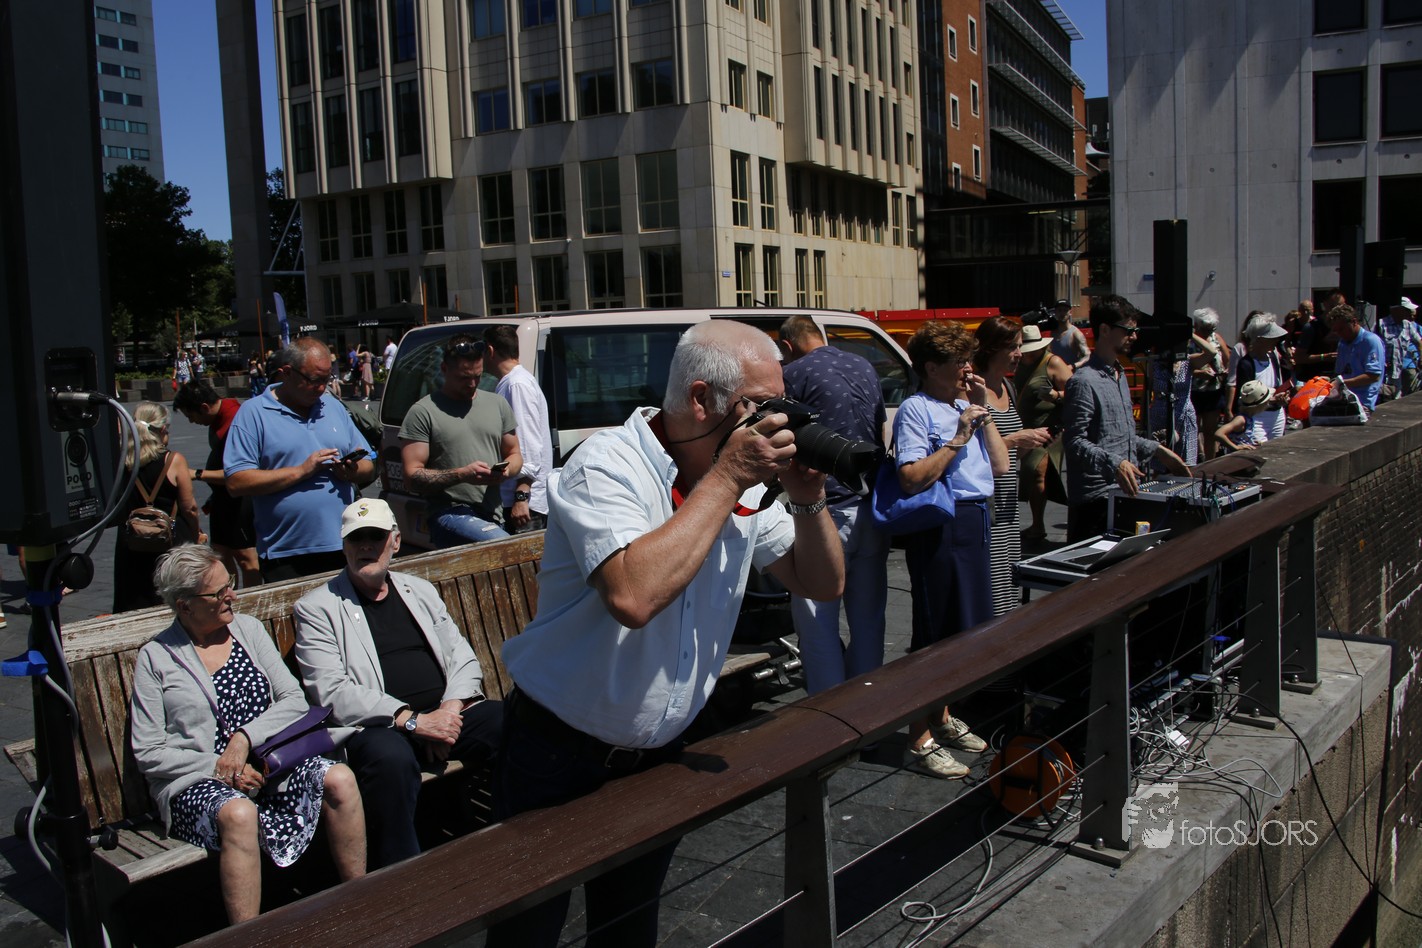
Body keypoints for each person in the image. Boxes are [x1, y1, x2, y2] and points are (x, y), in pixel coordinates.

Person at [488, 320, 842, 947]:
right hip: (556, 751)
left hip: (658, 753)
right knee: (527, 935)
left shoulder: (739, 482)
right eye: (762, 405)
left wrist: (809, 497)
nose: (777, 422)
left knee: (628, 931)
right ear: (702, 399)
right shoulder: (607, 464)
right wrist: (727, 478)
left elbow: (821, 582)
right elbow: (634, 595)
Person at [129, 544, 366, 925]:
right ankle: (246, 935)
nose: (232, 596)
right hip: (197, 781)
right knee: (239, 813)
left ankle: (359, 903)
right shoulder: (156, 658)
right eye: (219, 592)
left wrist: (243, 740)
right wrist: (222, 767)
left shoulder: (248, 630)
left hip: (269, 764)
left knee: (339, 777)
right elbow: (149, 751)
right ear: (185, 605)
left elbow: (293, 699)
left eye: (230, 584)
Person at [293, 499, 504, 869]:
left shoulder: (418, 590)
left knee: (512, 721)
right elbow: (330, 691)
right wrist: (414, 722)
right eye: (355, 538)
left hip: (443, 714)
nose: (365, 546)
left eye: (375, 537)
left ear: (395, 541)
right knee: (390, 759)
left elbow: (462, 656)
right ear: (344, 545)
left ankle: (513, 841)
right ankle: (401, 874)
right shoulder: (317, 608)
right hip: (378, 726)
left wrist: (448, 713)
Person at [891, 321, 1002, 779]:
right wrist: (958, 437)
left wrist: (983, 414)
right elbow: (910, 477)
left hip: (974, 521)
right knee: (933, 633)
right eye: (958, 362)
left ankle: (940, 715)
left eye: (968, 360)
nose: (967, 369)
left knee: (962, 628)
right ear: (931, 367)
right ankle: (918, 737)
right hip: (941, 524)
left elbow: (1000, 465)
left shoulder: (964, 405)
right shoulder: (915, 409)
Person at [777, 314, 890, 694]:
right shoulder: (863, 365)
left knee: (816, 621)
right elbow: (879, 428)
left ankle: (828, 713)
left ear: (788, 346)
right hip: (869, 505)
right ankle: (867, 705)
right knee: (869, 618)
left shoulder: (795, 374)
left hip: (825, 511)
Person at [225, 338, 377, 582]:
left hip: (344, 544)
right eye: (314, 380)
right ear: (287, 372)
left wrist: (352, 471)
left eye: (327, 379)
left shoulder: (333, 406)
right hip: (286, 553)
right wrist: (302, 471)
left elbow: (368, 464)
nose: (321, 388)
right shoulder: (253, 413)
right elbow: (236, 481)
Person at [1063, 296, 1190, 542]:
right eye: (1128, 330)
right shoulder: (1083, 381)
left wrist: (1157, 450)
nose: (1134, 336)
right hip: (1095, 504)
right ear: (1104, 330)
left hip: (1123, 496)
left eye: (1136, 331)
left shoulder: (1119, 375)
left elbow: (1119, 437)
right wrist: (1115, 463)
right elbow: (1074, 441)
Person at [399, 334, 521, 548]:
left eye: (478, 376)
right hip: (449, 513)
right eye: (464, 378)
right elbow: (411, 477)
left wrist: (505, 471)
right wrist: (462, 474)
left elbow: (514, 454)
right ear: (444, 369)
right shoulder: (423, 411)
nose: (472, 384)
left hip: (493, 515)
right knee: (507, 547)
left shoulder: (498, 404)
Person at [974, 317, 1054, 617]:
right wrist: (1014, 440)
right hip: (987, 504)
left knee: (1008, 586)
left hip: (1008, 505)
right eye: (1013, 347)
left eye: (1019, 346)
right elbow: (968, 452)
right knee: (991, 589)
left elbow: (1008, 455)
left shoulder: (1007, 385)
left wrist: (1028, 443)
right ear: (991, 348)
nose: (1019, 354)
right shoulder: (972, 390)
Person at [115, 402, 204, 613]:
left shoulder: (122, 459)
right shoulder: (173, 460)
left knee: (136, 602)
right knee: (174, 599)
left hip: (132, 543)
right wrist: (195, 534)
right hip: (170, 542)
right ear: (163, 429)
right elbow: (190, 508)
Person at [174, 380, 261, 589]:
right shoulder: (217, 418)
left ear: (204, 407)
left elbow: (241, 474)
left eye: (191, 416)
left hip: (240, 500)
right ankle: (226, 596)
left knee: (246, 557)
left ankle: (252, 600)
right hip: (222, 499)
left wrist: (198, 474)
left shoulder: (236, 420)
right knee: (220, 553)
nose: (192, 422)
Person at [482, 324, 552, 534]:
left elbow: (528, 446)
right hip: (518, 498)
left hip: (523, 503)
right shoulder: (513, 382)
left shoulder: (517, 385)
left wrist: (521, 496)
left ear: (490, 350)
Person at [1013, 324, 1071, 539]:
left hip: (1049, 430)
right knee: (1030, 474)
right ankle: (1037, 524)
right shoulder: (1021, 363)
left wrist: (1056, 396)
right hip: (1027, 427)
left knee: (1037, 471)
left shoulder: (1053, 362)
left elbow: (1075, 391)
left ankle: (1038, 525)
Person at [1226, 314, 1291, 441]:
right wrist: (1272, 400)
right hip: (1257, 419)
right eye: (1271, 337)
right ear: (1260, 339)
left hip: (1277, 416)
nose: (1276, 340)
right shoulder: (1246, 364)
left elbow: (1277, 385)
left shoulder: (1273, 357)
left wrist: (1283, 396)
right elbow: (1246, 399)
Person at [1189, 308, 1232, 460]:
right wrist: (1198, 373)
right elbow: (1180, 367)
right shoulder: (1189, 340)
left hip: (1213, 390)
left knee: (1211, 431)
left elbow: (1227, 359)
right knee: (1192, 430)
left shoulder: (1216, 338)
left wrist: (1224, 371)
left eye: (1211, 329)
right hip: (1194, 390)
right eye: (1205, 329)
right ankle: (1194, 460)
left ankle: (1210, 461)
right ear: (1196, 326)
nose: (1209, 332)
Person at [1330, 303, 1386, 411]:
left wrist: (1341, 383)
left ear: (1354, 322)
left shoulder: (1370, 341)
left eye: (1341, 329)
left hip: (1362, 403)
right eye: (1336, 331)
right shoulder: (1342, 343)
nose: (1339, 334)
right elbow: (1340, 373)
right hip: (1343, 399)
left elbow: (1373, 376)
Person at [1214, 380, 1285, 453]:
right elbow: (1219, 433)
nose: (1268, 404)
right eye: (1266, 402)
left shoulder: (1250, 416)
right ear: (1259, 405)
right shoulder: (1241, 419)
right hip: (1236, 457)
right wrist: (1236, 447)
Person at [1377, 297, 1421, 399]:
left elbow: (1419, 341)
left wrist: (1421, 358)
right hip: (1382, 373)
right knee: (1382, 399)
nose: (1410, 313)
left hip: (1397, 372)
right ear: (1398, 310)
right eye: (1407, 310)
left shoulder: (1408, 325)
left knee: (1396, 400)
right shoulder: (1380, 324)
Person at [1293, 296, 1337, 382]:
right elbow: (1298, 358)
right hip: (1314, 378)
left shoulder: (1342, 326)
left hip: (1335, 378)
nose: (1337, 310)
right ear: (1325, 305)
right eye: (1333, 306)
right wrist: (1324, 357)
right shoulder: (1311, 327)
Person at [1048, 299, 1090, 368]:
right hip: (1055, 373)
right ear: (1055, 313)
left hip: (1071, 373)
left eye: (1065, 310)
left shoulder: (1075, 334)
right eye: (1059, 310)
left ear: (1070, 312)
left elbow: (1087, 356)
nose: (1062, 313)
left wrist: (1073, 366)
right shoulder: (1052, 333)